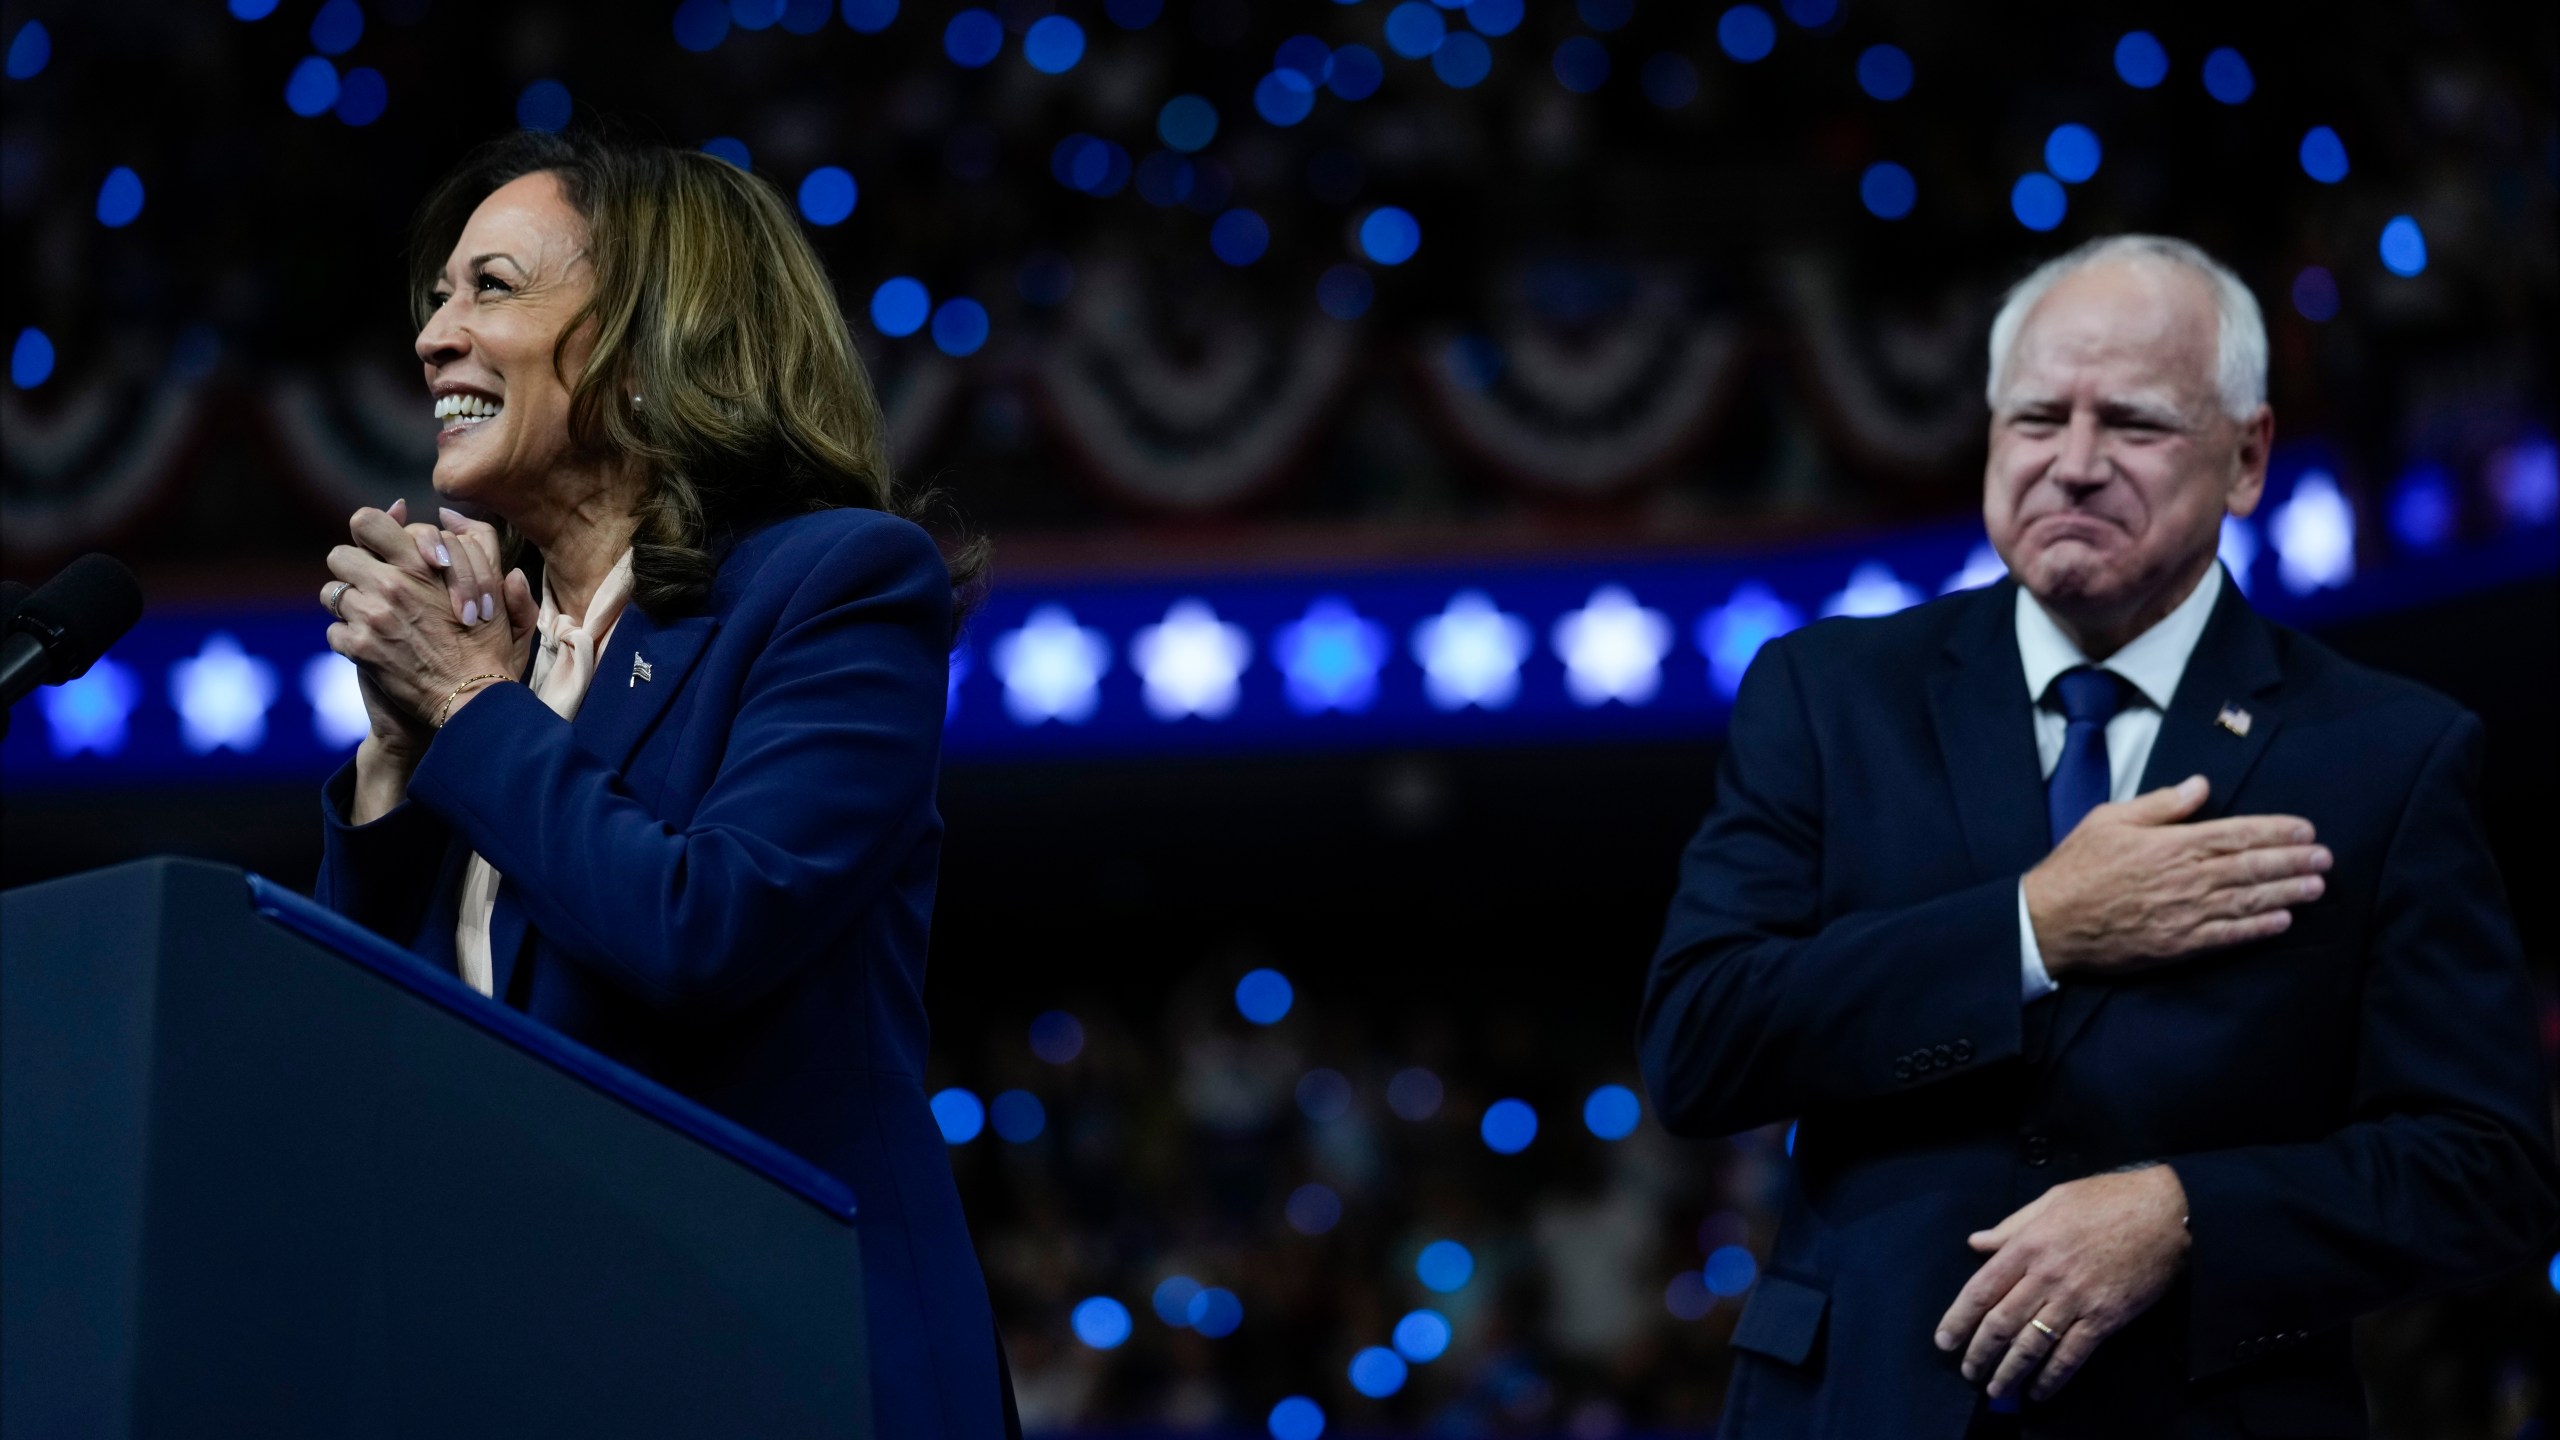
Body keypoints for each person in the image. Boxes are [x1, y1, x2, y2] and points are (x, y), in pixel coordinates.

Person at [1638, 234, 2557, 1438]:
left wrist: (2186, 1216)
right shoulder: (1827, 695)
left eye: (2131, 423)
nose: (2071, 466)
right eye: (2034, 419)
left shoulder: (2386, 753)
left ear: (2246, 457)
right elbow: (1699, 1044)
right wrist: (2033, 929)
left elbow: (2483, 1169)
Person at [313, 129, 1010, 1439]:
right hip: (525, 1371)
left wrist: (470, 710)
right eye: (438, 298)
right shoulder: (505, 667)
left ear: (648, 336)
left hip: (785, 1369)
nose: (434, 337)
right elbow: (355, 1066)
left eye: (493, 288)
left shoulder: (834, 585)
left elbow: (706, 927)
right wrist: (404, 760)